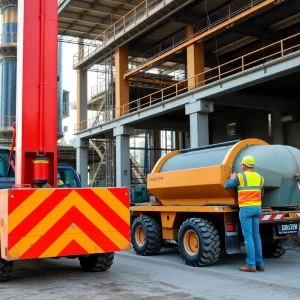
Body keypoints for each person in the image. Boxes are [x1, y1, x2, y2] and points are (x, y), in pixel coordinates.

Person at [224, 155, 264, 272]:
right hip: (257, 208)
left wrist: (232, 178)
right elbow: (261, 193)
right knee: (256, 236)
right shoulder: (260, 178)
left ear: (244, 165)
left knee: (248, 237)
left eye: (242, 165)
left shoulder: (241, 176)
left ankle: (251, 265)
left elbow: (226, 185)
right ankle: (260, 264)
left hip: (246, 209)